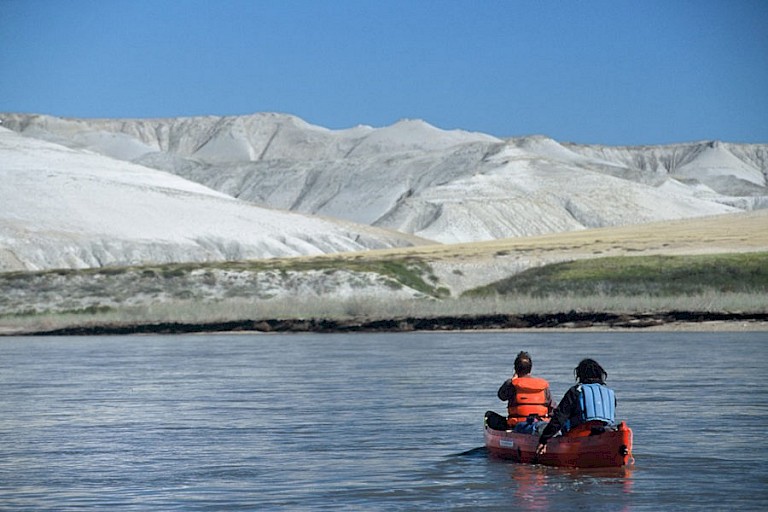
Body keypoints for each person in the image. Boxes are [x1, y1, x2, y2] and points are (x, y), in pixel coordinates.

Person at [536, 358, 617, 455]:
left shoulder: (576, 391)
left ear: (580, 374)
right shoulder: (609, 393)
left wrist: (544, 439)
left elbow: (559, 418)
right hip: (603, 434)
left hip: (579, 436)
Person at [485, 351, 556, 433]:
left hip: (518, 425)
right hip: (541, 423)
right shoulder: (543, 386)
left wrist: (512, 381)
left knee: (489, 416)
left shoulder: (512, 384)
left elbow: (501, 396)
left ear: (515, 369)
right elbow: (553, 408)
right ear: (530, 369)